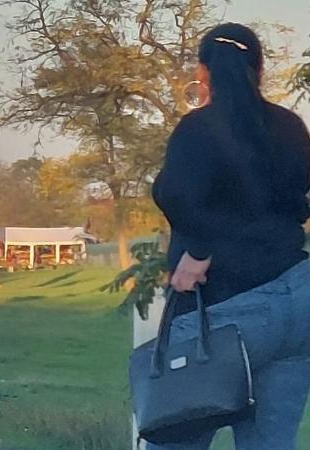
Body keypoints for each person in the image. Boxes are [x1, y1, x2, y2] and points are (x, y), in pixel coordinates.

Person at [150, 23, 310, 449]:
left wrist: (198, 251)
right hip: (296, 301)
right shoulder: (291, 126)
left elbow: (175, 195)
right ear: (258, 69)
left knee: (175, 436)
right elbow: (297, 201)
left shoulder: (196, 130)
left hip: (222, 306)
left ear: (203, 72)